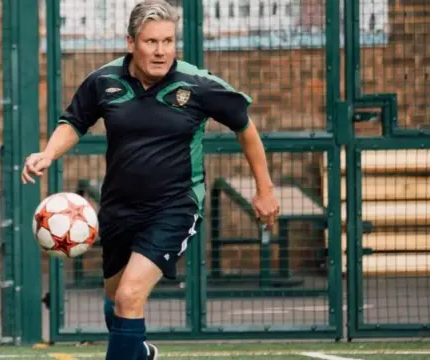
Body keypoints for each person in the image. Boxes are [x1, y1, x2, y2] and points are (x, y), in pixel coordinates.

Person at [22, 0, 280, 359]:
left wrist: (264, 190)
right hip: (118, 210)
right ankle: (139, 353)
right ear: (131, 43)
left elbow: (245, 128)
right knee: (115, 299)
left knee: (130, 296)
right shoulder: (104, 81)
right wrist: (47, 154)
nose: (161, 52)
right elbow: (75, 122)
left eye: (168, 41)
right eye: (151, 42)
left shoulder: (199, 85)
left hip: (174, 207)